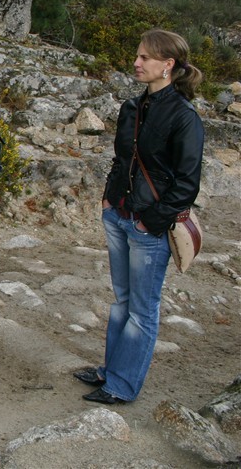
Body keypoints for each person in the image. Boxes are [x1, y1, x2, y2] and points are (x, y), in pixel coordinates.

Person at [74, 30, 204, 404]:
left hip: (149, 226)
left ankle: (122, 385)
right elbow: (122, 159)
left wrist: (153, 220)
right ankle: (110, 370)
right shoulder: (132, 107)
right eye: (137, 55)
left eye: (146, 57)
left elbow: (187, 183)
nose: (137, 62)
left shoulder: (184, 117)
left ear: (168, 65)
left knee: (142, 310)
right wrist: (108, 200)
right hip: (118, 214)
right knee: (122, 301)